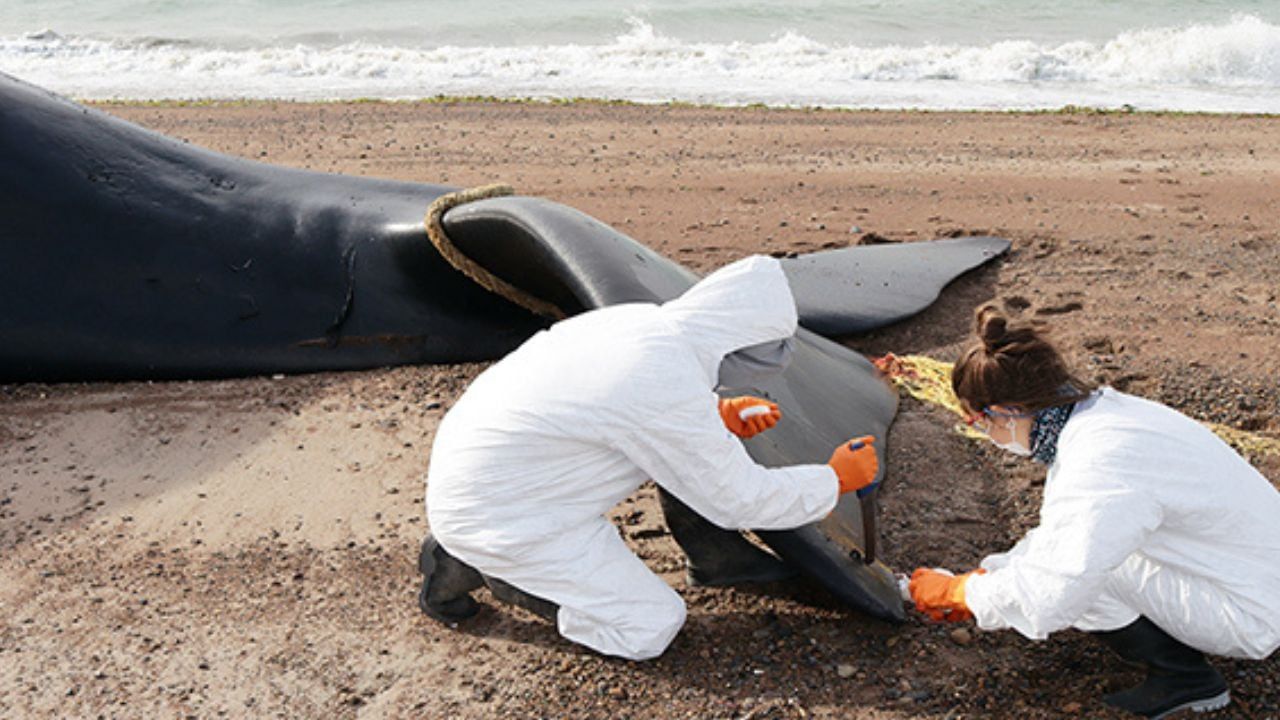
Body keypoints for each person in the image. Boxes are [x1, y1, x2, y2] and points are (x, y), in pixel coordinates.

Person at [420, 255, 881, 660]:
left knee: (692, 456)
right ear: (734, 347)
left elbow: (617, 407)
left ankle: (717, 559)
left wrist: (717, 414)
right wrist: (833, 478)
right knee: (649, 627)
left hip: (490, 471)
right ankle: (478, 566)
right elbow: (739, 499)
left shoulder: (645, 325)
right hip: (502, 516)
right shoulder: (663, 382)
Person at [909, 305, 1280, 719]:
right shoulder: (1103, 417)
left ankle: (1184, 680)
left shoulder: (1099, 460)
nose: (987, 434)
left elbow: (1055, 588)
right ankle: (1180, 646)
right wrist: (989, 574)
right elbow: (1059, 533)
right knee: (1084, 552)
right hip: (1252, 573)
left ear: (1008, 412)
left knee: (1089, 577)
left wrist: (963, 594)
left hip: (1254, 611)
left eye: (981, 422)